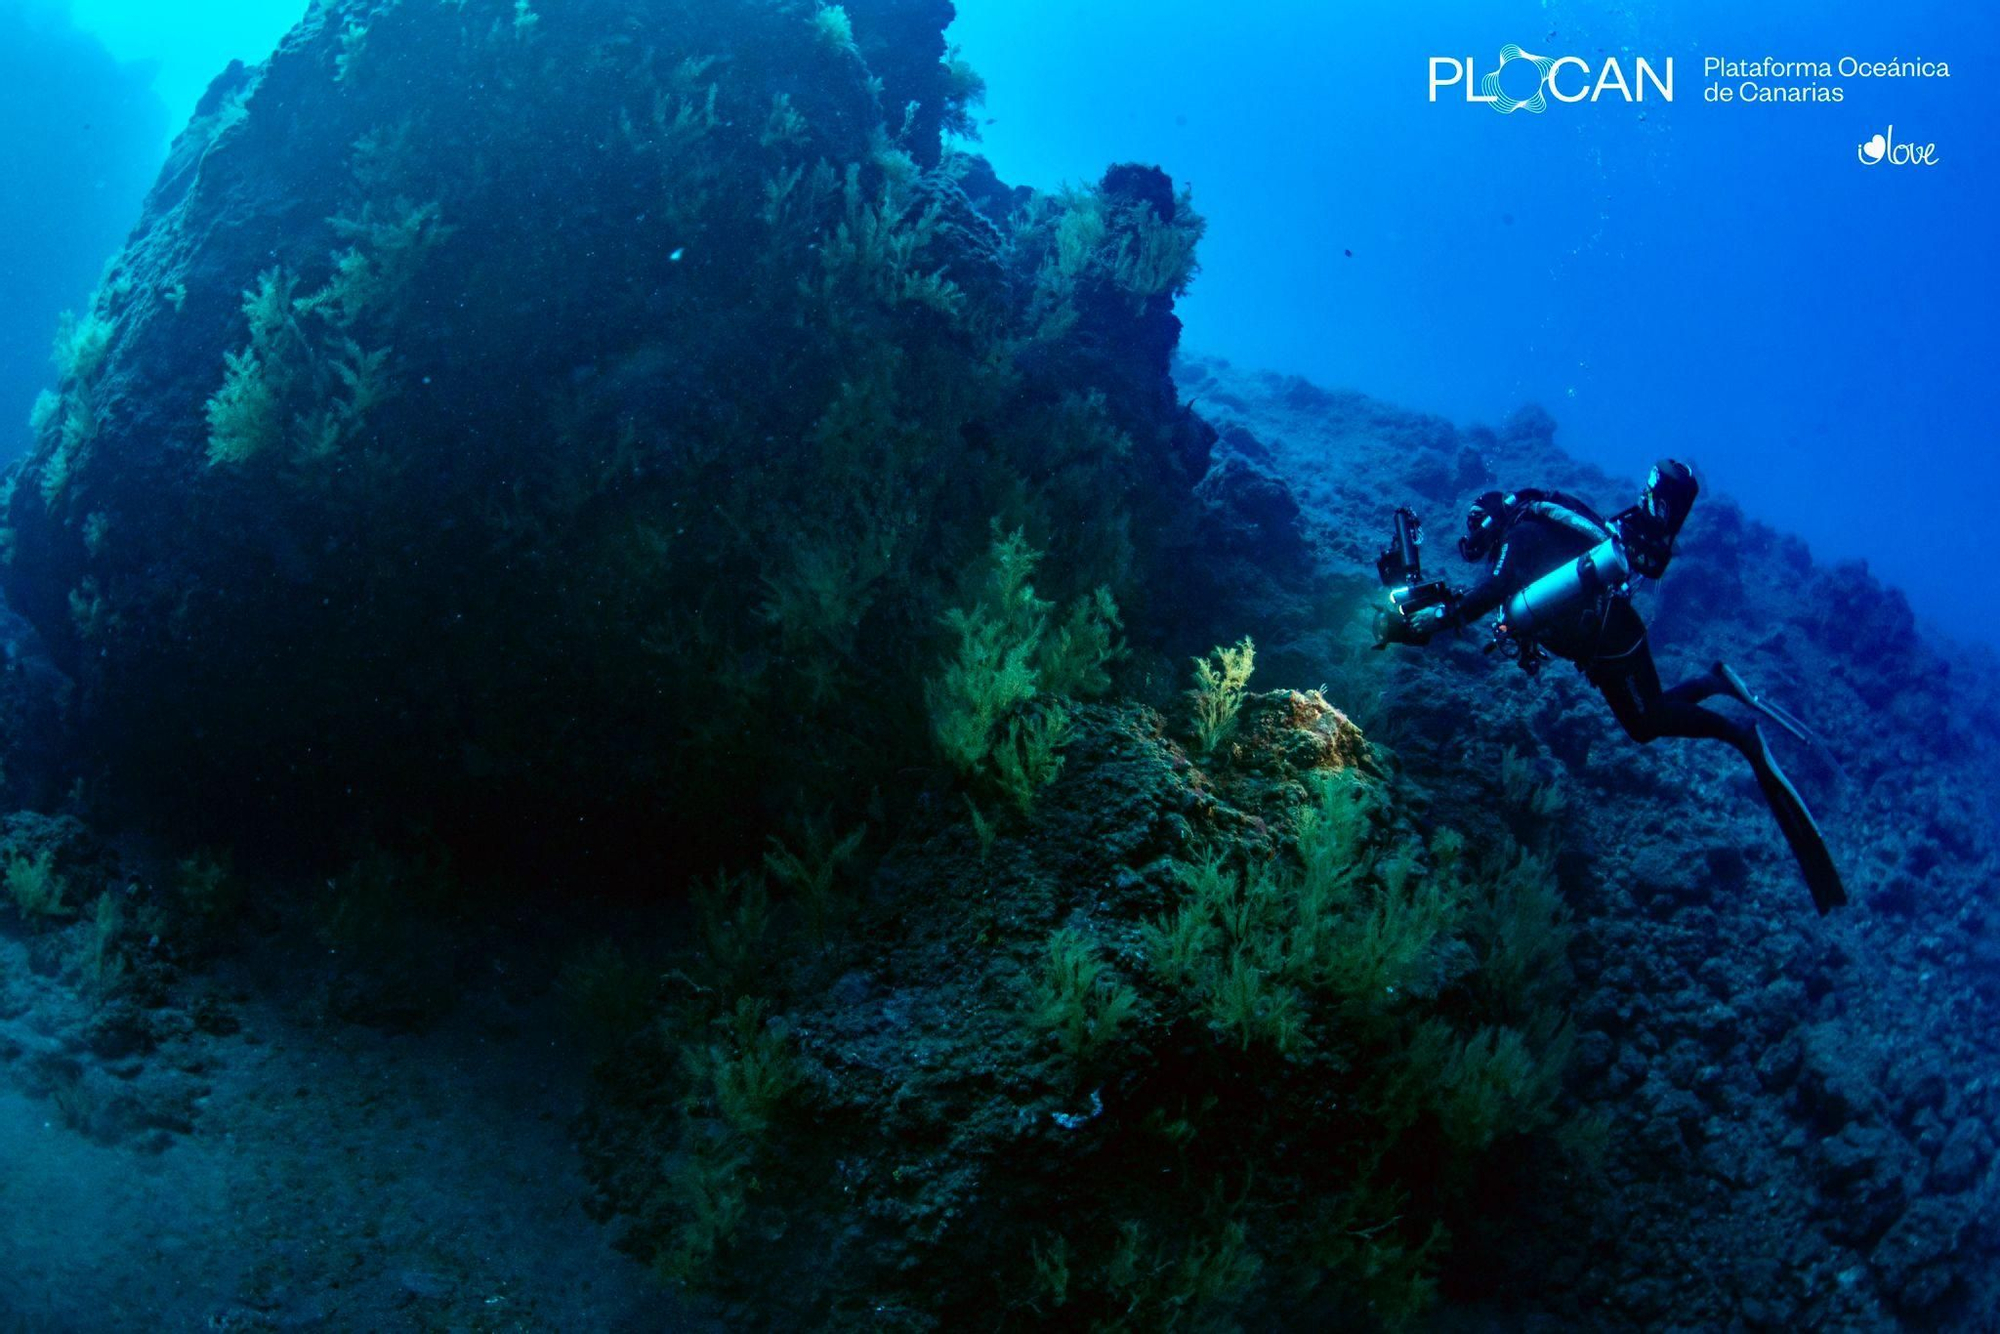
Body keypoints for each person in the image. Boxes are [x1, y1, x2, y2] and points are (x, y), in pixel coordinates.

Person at [1376, 461, 1847, 914]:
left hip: (1615, 644)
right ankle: (1715, 681)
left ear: (1493, 517)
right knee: (1651, 715)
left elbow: (1493, 589)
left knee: (1646, 723)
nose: (1474, 537)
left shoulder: (1519, 534)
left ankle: (1740, 734)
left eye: (1477, 525)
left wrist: (1440, 618)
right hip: (1611, 641)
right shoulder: (1529, 532)